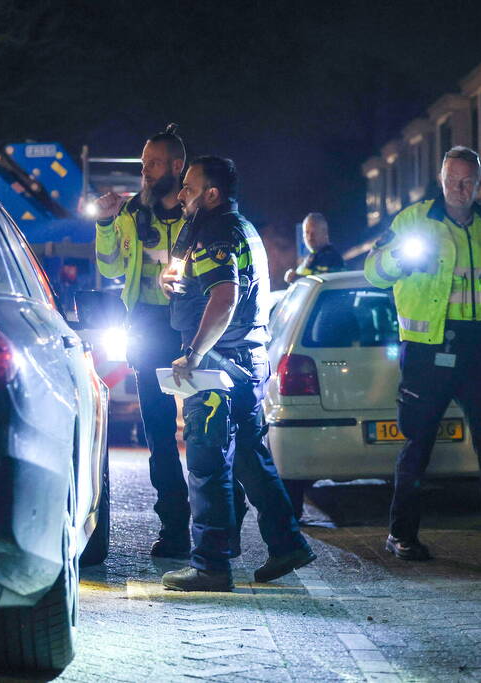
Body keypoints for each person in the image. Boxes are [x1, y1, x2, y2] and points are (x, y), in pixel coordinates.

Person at [363, 146, 481, 569]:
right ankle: (401, 536)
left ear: (480, 183)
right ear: (441, 180)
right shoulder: (413, 221)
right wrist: (400, 257)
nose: (459, 189)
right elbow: (374, 272)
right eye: (452, 180)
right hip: (427, 352)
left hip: (478, 351)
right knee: (418, 445)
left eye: (467, 181)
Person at [159, 156, 315, 591]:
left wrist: (193, 353)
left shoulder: (216, 231)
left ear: (212, 193)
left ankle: (210, 565)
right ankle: (287, 544)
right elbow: (213, 285)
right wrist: (171, 282)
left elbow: (225, 298)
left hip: (219, 361)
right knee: (250, 456)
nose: (181, 194)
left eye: (189, 187)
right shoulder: (241, 228)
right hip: (248, 360)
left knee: (208, 462)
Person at [93, 124, 194, 558]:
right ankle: (174, 528)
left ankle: (217, 525)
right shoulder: (132, 212)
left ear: (176, 166)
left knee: (209, 433)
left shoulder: (199, 212)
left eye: (153, 164)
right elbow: (112, 267)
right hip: (149, 329)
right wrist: (103, 223)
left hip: (194, 329)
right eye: (143, 164)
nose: (146, 172)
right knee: (158, 435)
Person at [284, 212, 345, 283]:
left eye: (314, 233)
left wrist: (298, 279)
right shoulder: (310, 258)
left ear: (324, 232)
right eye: (307, 232)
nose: (310, 237)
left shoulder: (333, 259)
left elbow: (330, 284)